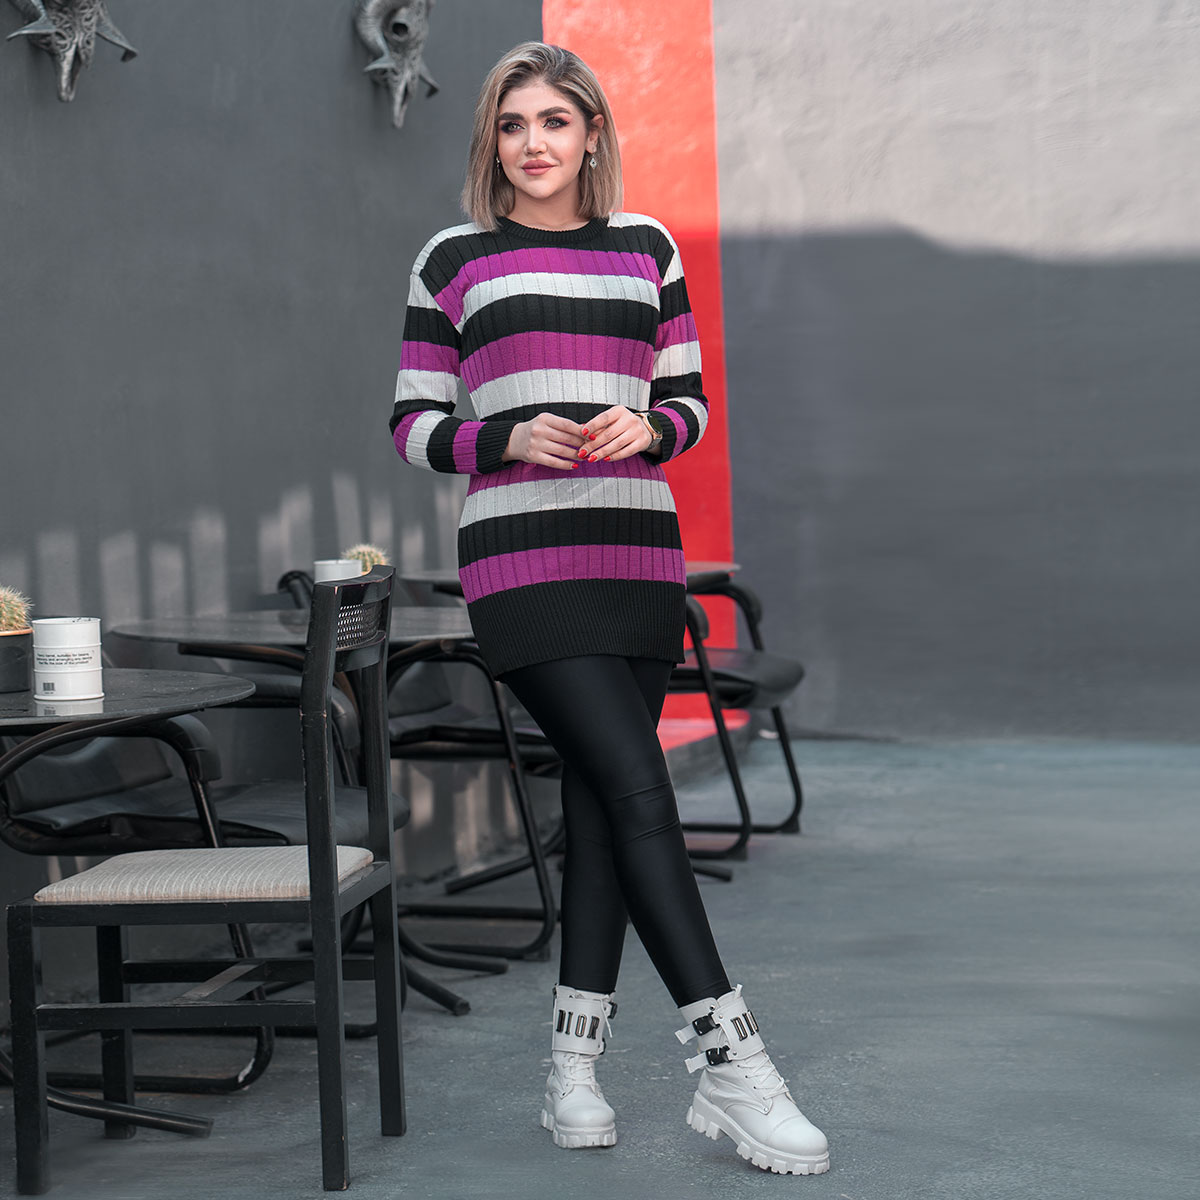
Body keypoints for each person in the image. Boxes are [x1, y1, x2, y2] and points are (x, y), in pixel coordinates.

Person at [389, 41, 829, 1177]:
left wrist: (650, 425)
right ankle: (732, 1062)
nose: (532, 143)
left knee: (601, 810)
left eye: (554, 121)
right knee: (640, 790)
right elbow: (414, 423)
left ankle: (572, 1073)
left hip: (635, 555)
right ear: (491, 142)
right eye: (512, 124)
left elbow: (686, 401)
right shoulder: (454, 259)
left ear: (591, 135)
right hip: (521, 561)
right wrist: (502, 436)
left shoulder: (646, 249)